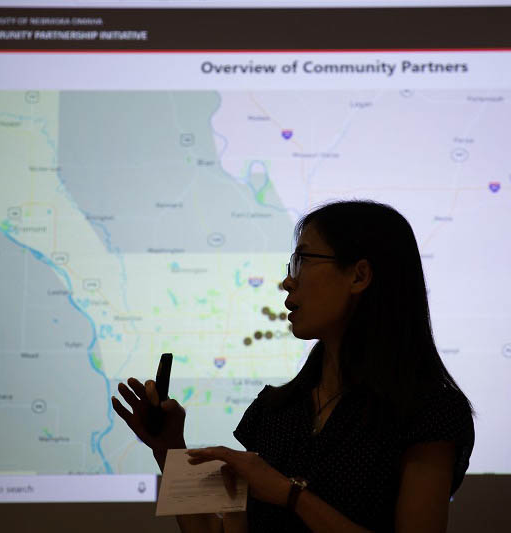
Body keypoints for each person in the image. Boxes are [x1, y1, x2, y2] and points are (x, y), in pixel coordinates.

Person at [112, 200, 475, 532]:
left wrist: (290, 495)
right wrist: (169, 448)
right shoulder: (275, 411)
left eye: (303, 260)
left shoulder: (428, 412)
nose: (288, 280)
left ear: (359, 276)